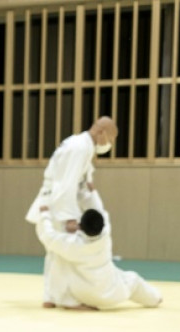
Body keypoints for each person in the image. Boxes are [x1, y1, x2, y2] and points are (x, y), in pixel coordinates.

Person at [26, 116, 119, 308]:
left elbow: (81, 181)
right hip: (59, 203)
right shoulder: (79, 147)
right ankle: (66, 299)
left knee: (55, 253)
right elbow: (65, 184)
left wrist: (90, 190)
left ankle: (50, 297)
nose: (109, 144)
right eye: (110, 139)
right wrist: (68, 218)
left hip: (56, 201)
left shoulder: (82, 145)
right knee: (63, 253)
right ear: (101, 132)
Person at [35, 185, 162, 310]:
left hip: (81, 293)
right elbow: (100, 211)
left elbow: (48, 235)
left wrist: (44, 214)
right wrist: (92, 192)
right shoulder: (105, 234)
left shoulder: (71, 244)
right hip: (111, 291)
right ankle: (155, 298)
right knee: (133, 280)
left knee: (58, 256)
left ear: (79, 226)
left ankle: (65, 301)